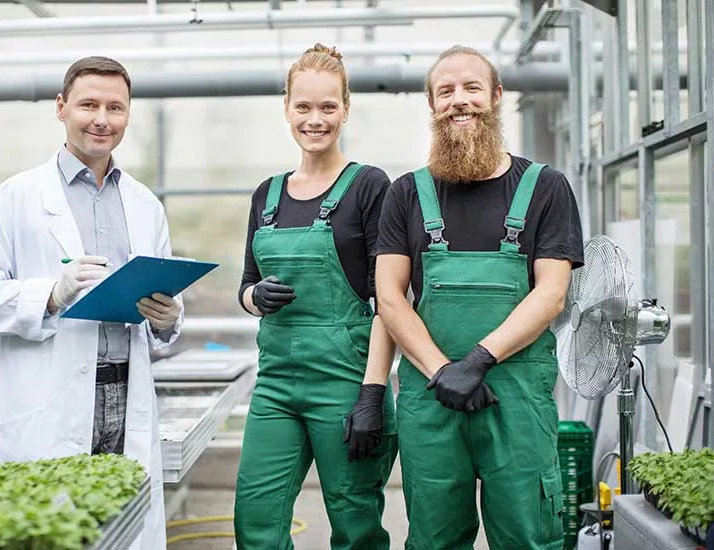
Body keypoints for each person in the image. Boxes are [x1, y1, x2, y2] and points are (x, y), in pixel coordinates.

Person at [0, 56, 182, 550]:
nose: (102, 118)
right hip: (49, 399)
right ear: (61, 108)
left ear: (128, 115)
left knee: (122, 526)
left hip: (126, 392)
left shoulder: (145, 204)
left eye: (115, 107)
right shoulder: (15, 198)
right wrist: (49, 295)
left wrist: (169, 318)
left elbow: (162, 293)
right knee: (53, 531)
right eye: (89, 104)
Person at [374, 45, 584, 549]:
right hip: (432, 397)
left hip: (514, 397)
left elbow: (551, 294)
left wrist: (480, 359)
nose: (458, 100)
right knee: (433, 538)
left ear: (496, 96)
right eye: (445, 91)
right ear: (431, 104)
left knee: (527, 535)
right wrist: (442, 370)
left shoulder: (545, 188)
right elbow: (389, 296)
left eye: (471, 88)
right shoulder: (407, 193)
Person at [233, 43, 398, 550]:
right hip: (276, 385)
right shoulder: (267, 193)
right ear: (286, 107)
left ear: (346, 108)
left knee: (355, 526)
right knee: (255, 520)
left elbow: (388, 301)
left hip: (346, 383)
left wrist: (372, 395)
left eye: (328, 106)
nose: (315, 119)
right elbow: (244, 284)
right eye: (303, 106)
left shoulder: (370, 186)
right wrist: (254, 298)